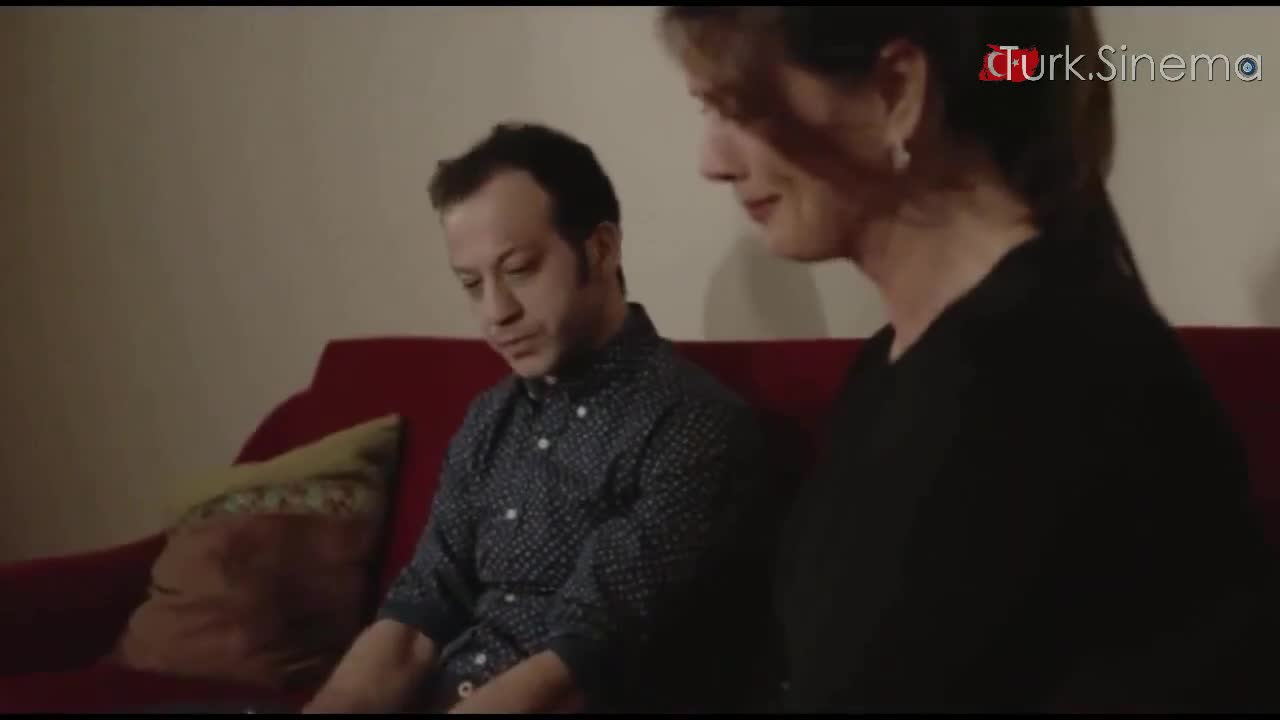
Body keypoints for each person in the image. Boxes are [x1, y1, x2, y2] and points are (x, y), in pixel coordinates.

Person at [658, 6, 1280, 713]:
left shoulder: (1054, 377)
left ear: (896, 92)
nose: (711, 161)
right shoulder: (900, 366)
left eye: (737, 108)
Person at [302, 122, 768, 714]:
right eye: (472, 284)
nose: (495, 312)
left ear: (601, 250)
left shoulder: (690, 424)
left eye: (519, 269)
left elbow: (578, 668)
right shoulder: (490, 417)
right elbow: (415, 619)